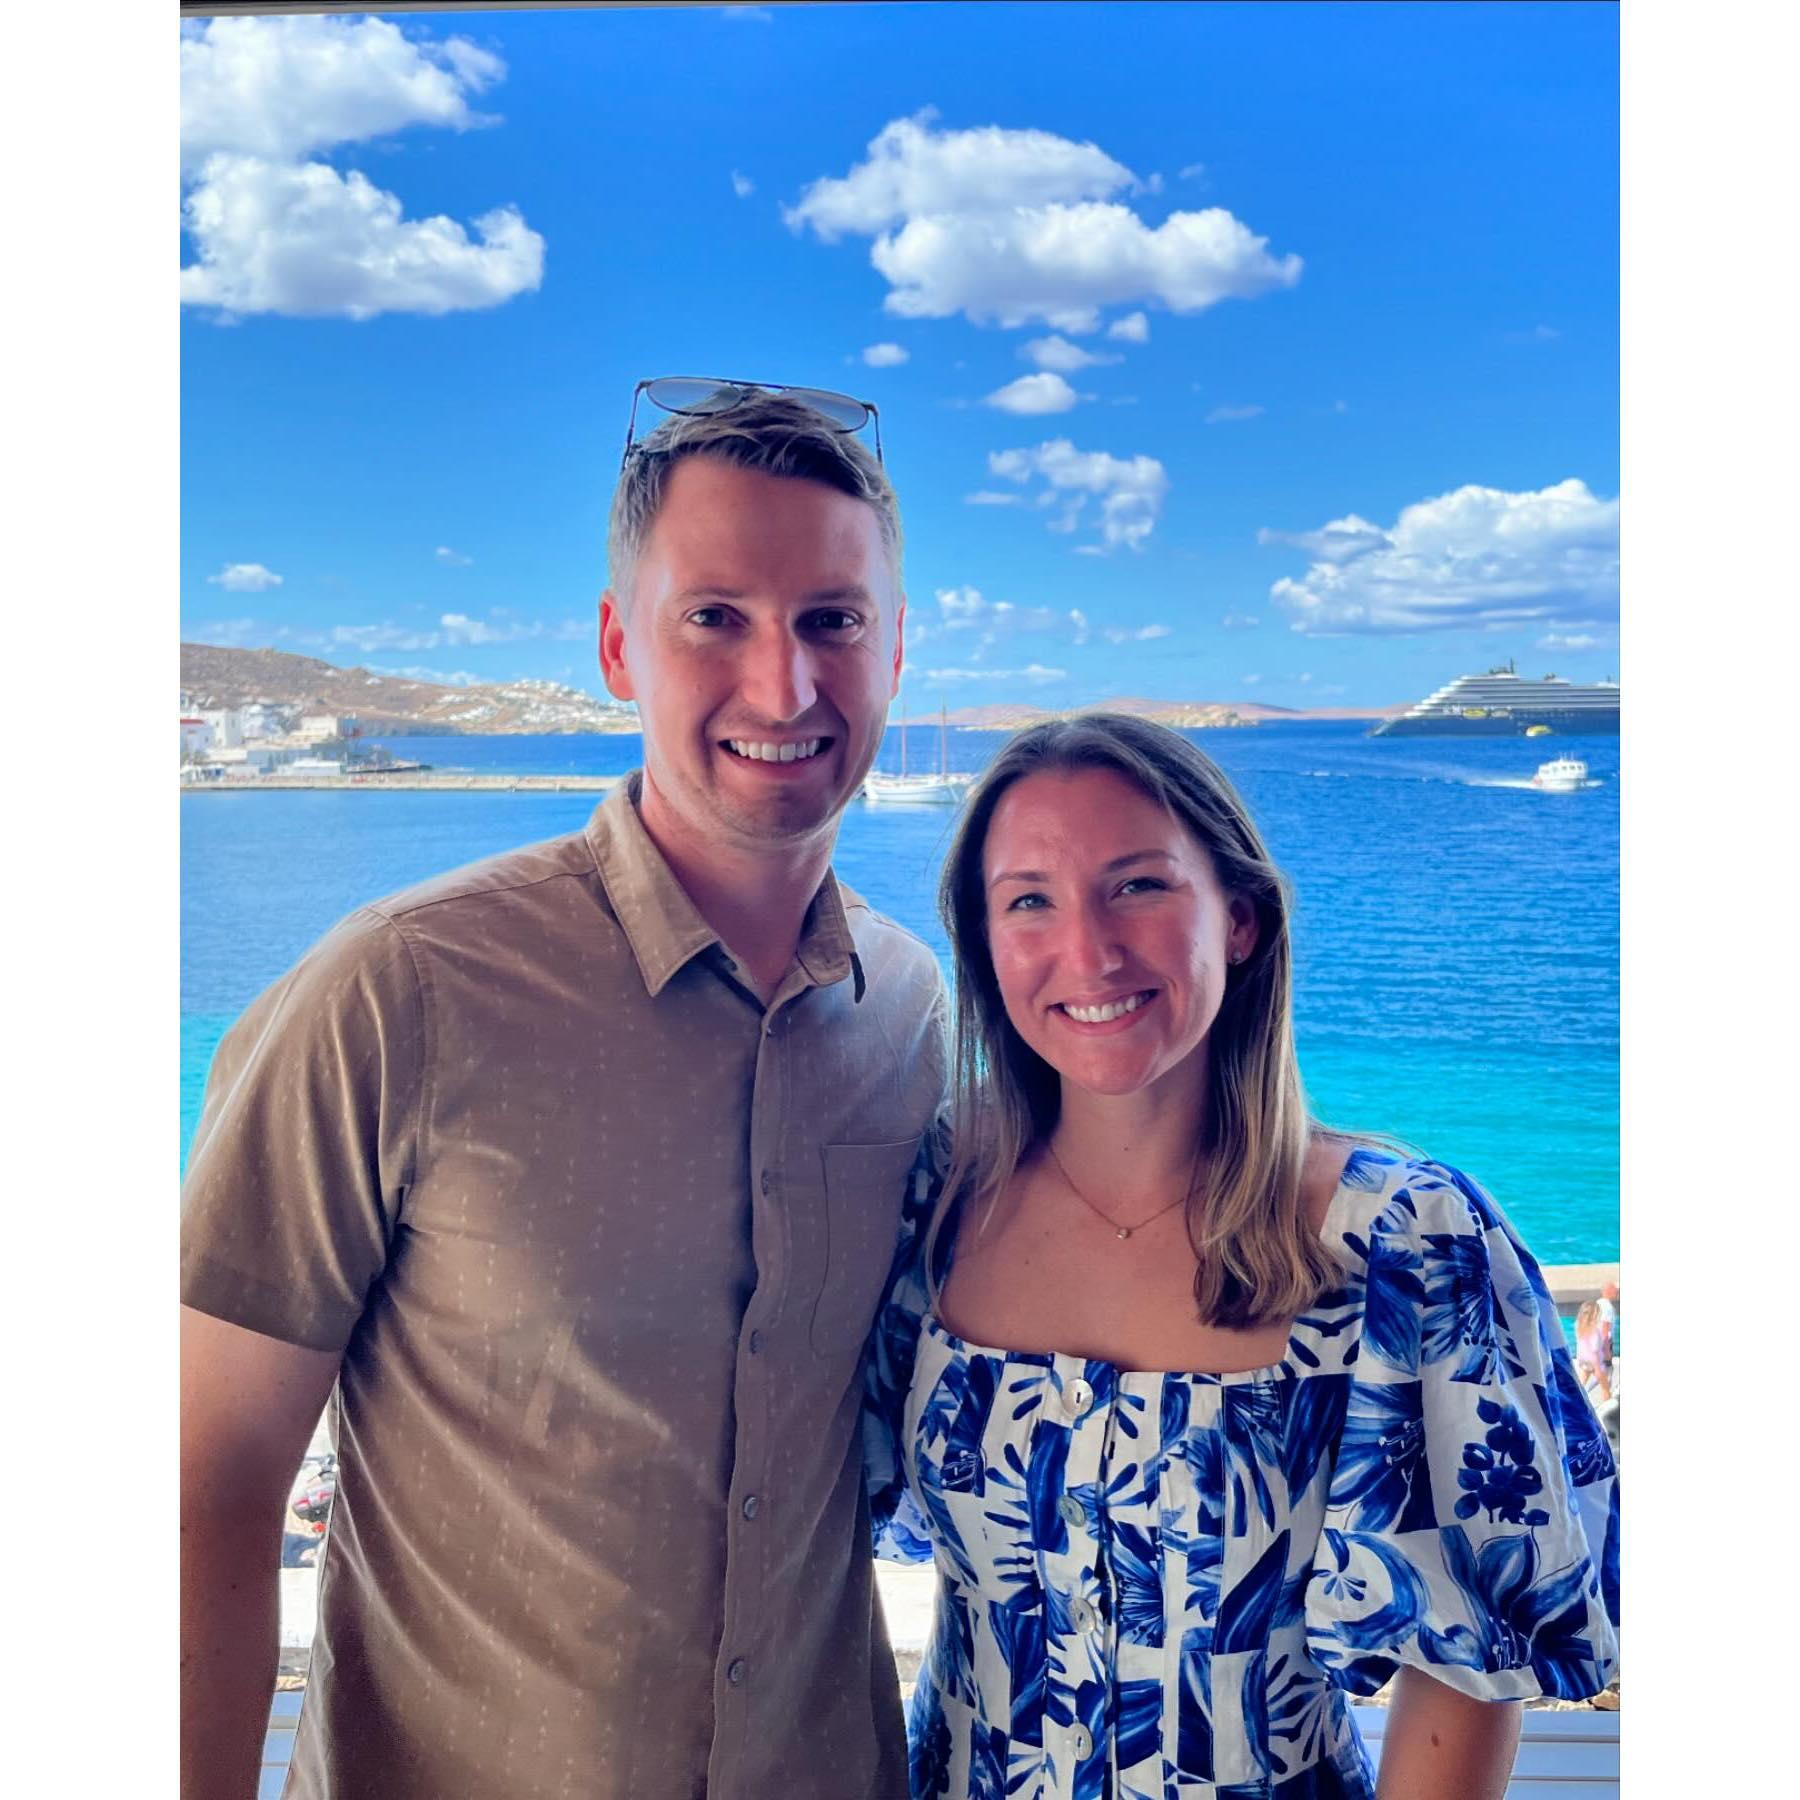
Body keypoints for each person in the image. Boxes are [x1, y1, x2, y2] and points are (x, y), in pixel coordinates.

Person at [181, 384, 948, 1800]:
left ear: (896, 647)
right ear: (616, 649)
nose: (784, 685)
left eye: (834, 620)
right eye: (713, 616)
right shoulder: (399, 993)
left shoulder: (911, 1015)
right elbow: (201, 1483)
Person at [864, 715, 1618, 1800]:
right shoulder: (933, 1199)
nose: (1089, 950)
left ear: (1243, 919)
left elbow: (1468, 1666)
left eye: (1139, 886)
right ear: (984, 942)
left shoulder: (1406, 1245)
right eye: (1029, 900)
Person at [1574, 1297, 1614, 1403]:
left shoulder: (1578, 1326)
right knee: (1605, 1388)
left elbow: (1580, 1346)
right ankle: (1607, 1408)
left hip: (1583, 1360)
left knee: (1580, 1386)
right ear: (1596, 1314)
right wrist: (1598, 1367)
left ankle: (1574, 1405)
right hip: (1596, 1362)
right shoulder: (1595, 1330)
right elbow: (1595, 1350)